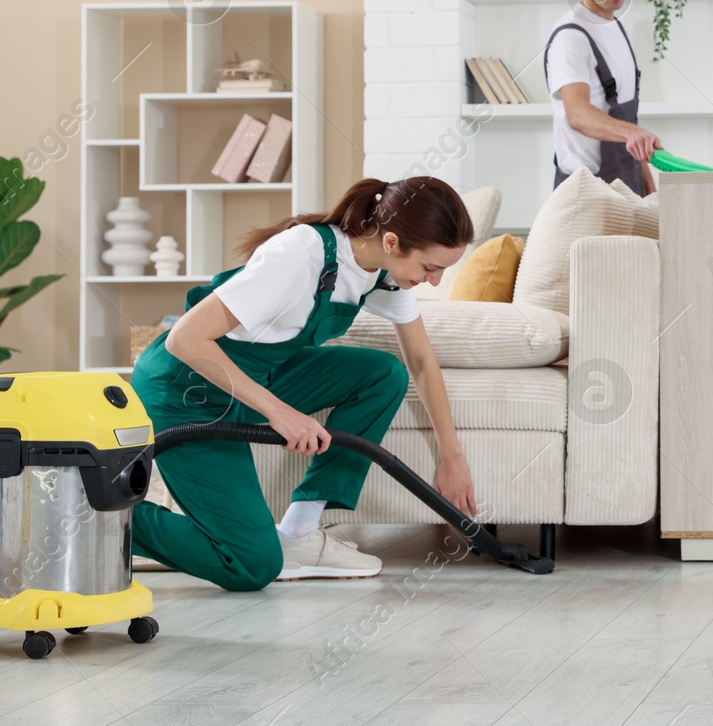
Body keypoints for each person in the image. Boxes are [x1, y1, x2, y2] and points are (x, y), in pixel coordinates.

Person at [131, 176, 479, 590]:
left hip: (254, 376)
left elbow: (420, 360)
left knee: (383, 375)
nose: (435, 281)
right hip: (189, 391)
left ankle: (299, 529)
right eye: (430, 268)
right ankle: (106, 512)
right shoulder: (299, 255)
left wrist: (451, 456)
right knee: (251, 565)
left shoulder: (380, 271)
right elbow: (185, 338)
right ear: (391, 242)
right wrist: (281, 414)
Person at [544, 0, 661, 195]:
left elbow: (627, 122)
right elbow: (578, 114)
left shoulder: (617, 28)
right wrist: (633, 134)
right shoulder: (571, 37)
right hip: (587, 194)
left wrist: (648, 186)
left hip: (628, 185)